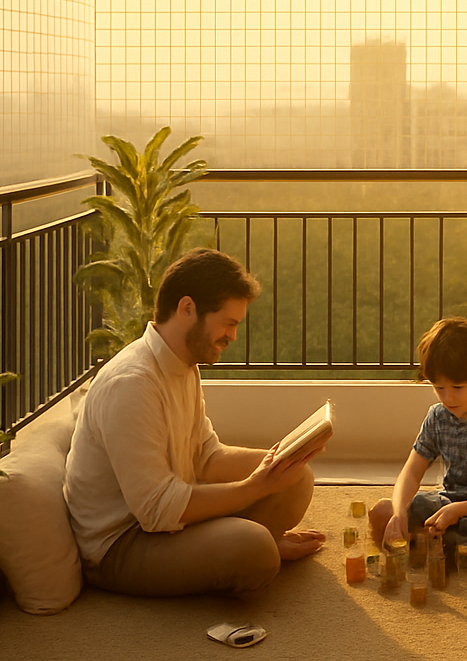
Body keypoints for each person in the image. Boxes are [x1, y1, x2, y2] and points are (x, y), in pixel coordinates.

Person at [64, 248, 326, 598]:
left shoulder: (184, 364)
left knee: (295, 477)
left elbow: (206, 456)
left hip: (167, 521)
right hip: (122, 543)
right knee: (256, 550)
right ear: (187, 309)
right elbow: (156, 510)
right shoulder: (130, 384)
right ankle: (243, 547)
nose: (232, 336)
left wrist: (274, 462)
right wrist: (255, 487)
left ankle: (230, 545)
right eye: (228, 323)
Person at [368, 316, 467, 558]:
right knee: (382, 511)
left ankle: (429, 539)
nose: (448, 398)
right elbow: (411, 472)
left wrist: (457, 511)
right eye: (439, 388)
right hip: (446, 500)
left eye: (458, 388)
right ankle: (442, 541)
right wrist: (399, 511)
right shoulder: (437, 416)